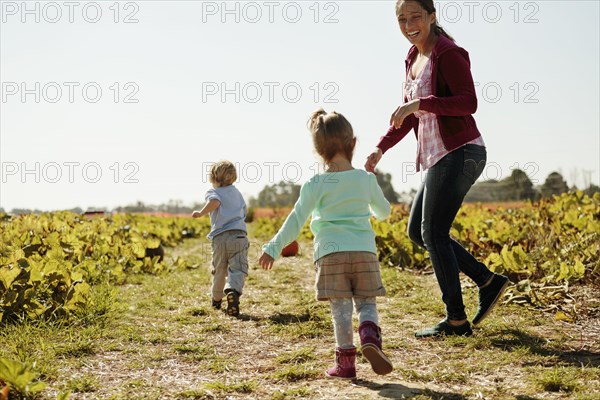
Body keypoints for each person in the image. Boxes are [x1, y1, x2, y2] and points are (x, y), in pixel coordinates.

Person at [365, 0, 509, 338]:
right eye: (401, 18)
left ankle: (456, 320)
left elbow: (467, 102)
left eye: (416, 16)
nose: (409, 23)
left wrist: (420, 103)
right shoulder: (412, 58)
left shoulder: (449, 52)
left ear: (432, 17)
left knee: (434, 233)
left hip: (462, 152)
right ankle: (487, 281)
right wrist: (380, 147)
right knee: (419, 232)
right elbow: (407, 115)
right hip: (437, 157)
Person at [259, 109, 393, 379]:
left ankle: (346, 364)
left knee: (341, 309)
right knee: (366, 303)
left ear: (318, 151)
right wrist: (373, 198)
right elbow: (384, 212)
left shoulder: (315, 183)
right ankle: (369, 333)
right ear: (353, 143)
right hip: (364, 252)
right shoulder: (365, 179)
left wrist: (273, 247)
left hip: (330, 254)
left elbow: (296, 220)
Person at [192, 160, 249, 317]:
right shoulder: (237, 193)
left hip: (219, 238)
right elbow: (244, 211)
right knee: (238, 267)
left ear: (214, 178)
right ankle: (233, 291)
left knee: (219, 269)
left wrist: (201, 213)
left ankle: (216, 299)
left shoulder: (213, 192)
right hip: (238, 235)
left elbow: (215, 202)